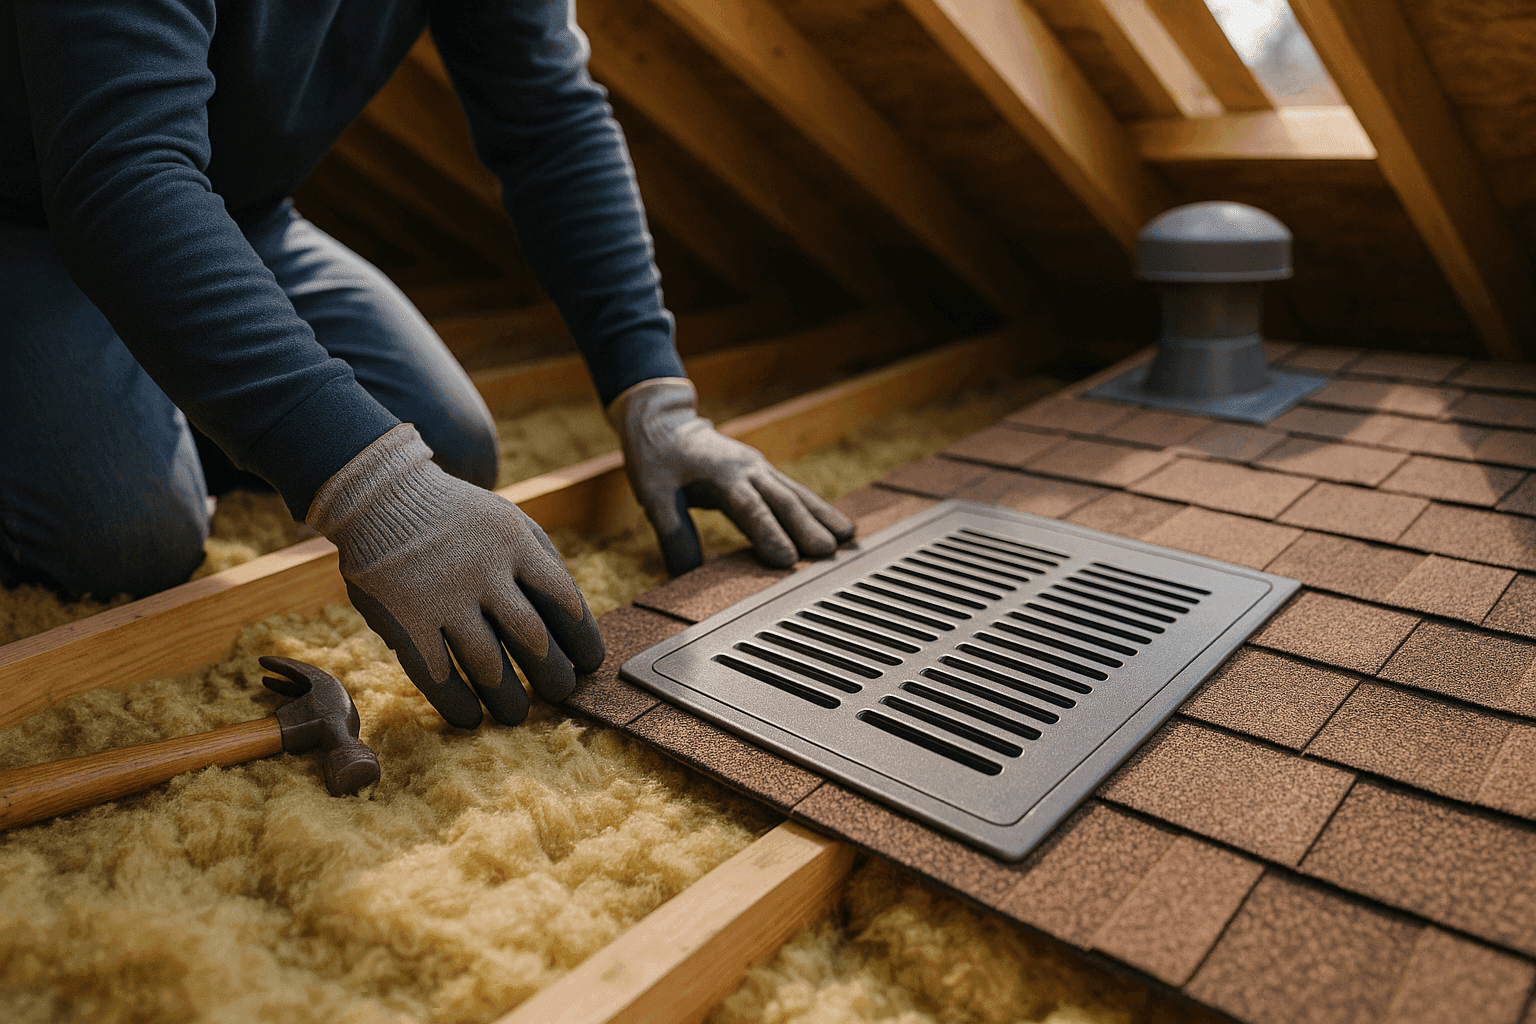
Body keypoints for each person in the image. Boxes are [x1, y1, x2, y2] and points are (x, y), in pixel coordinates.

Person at [0, 0, 854, 729]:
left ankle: (176, 356)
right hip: (34, 203)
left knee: (444, 448)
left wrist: (656, 397)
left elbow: (551, 120)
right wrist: (366, 485)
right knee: (128, 535)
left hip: (237, 208)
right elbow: (121, 167)